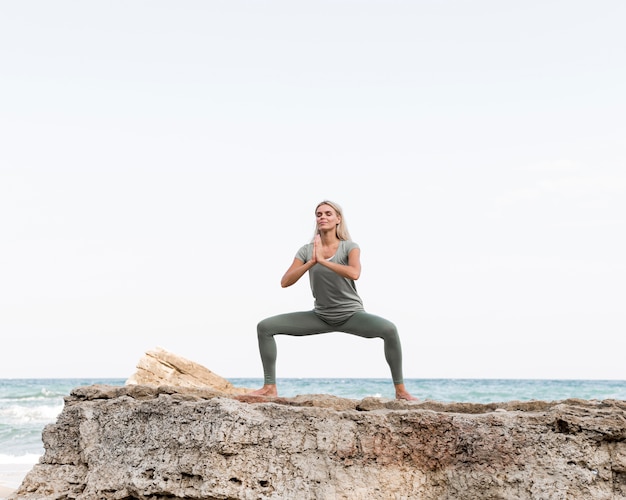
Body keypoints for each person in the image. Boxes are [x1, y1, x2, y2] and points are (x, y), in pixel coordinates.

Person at [250, 200, 417, 401]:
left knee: (389, 330)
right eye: (319, 214)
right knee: (265, 327)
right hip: (321, 316)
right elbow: (285, 282)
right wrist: (312, 261)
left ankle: (401, 391)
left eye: (328, 213)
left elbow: (354, 273)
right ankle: (269, 387)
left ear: (338, 219)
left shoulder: (350, 247)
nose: (323, 217)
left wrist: (323, 262)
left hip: (351, 315)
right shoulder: (306, 250)